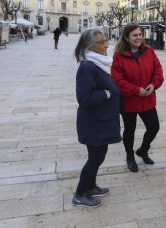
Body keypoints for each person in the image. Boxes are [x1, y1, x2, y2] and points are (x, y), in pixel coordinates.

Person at [72, 28, 121, 208]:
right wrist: (106, 94)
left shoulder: (98, 64)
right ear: (91, 46)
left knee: (98, 156)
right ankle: (79, 195)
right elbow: (83, 97)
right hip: (94, 123)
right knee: (95, 158)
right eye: (102, 42)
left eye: (105, 41)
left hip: (101, 121)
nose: (106, 45)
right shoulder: (89, 67)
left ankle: (91, 187)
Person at [111, 23, 164, 173]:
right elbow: (117, 80)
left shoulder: (149, 51)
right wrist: (136, 90)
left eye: (140, 34)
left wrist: (153, 85)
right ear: (127, 37)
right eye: (135, 35)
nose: (138, 37)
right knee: (130, 129)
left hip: (147, 98)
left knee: (154, 127)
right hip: (128, 100)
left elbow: (158, 71)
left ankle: (143, 150)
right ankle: (130, 156)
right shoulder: (119, 56)